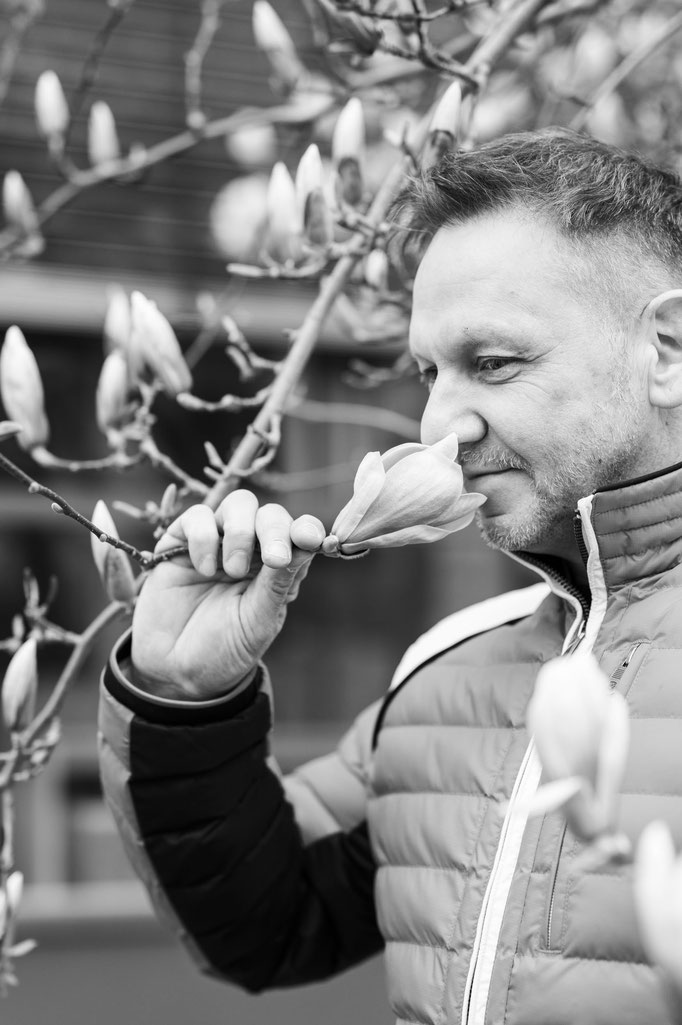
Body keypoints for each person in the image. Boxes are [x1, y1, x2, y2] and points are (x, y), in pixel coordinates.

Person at [98, 128, 682, 1025]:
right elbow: (268, 926)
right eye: (428, 370)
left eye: (492, 362)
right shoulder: (448, 671)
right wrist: (184, 696)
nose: (440, 421)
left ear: (668, 350)